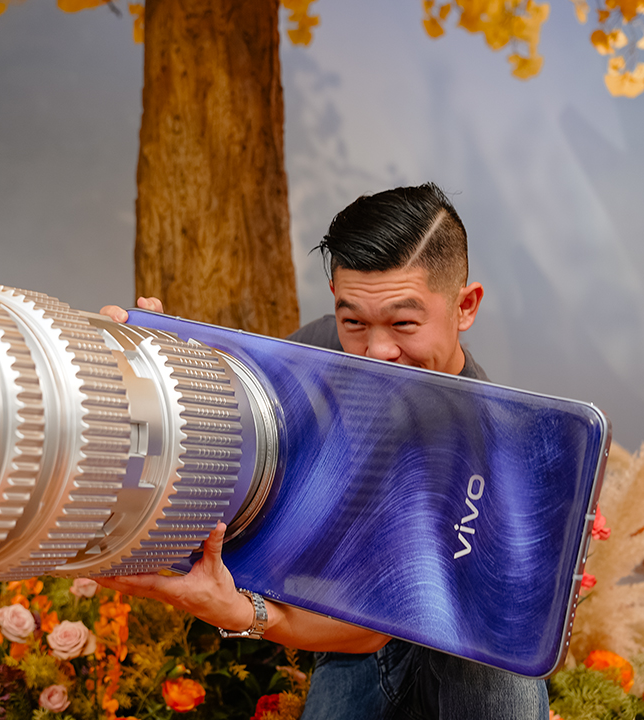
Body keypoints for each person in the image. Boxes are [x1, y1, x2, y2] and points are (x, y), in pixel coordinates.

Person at [98, 183, 548, 720]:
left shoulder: (491, 447)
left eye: (403, 323)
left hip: (445, 648)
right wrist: (147, 371)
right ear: (335, 295)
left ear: (464, 306)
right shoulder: (311, 359)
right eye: (354, 320)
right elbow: (232, 440)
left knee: (498, 650)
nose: (377, 351)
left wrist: (242, 612)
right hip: (339, 633)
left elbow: (375, 624)